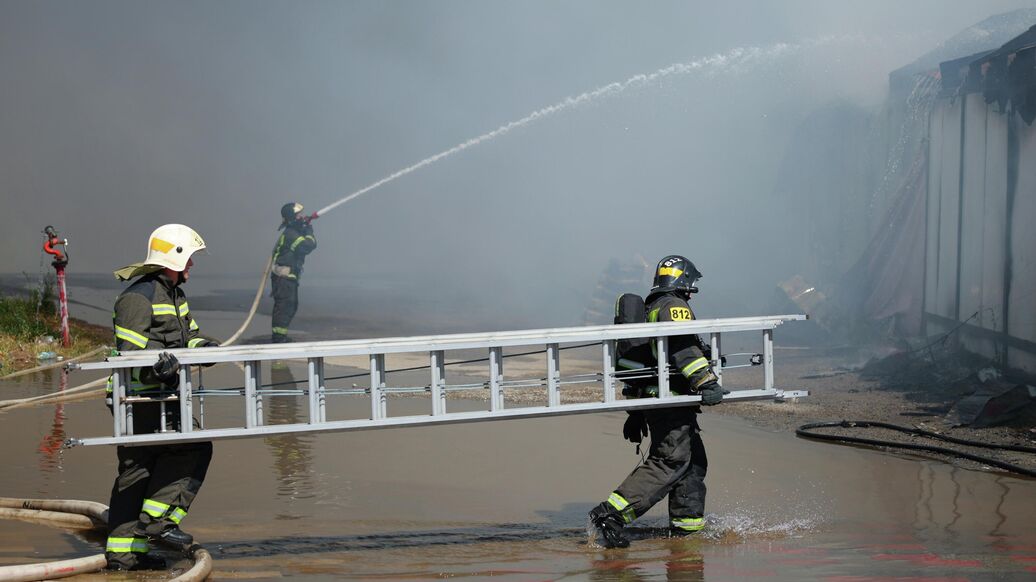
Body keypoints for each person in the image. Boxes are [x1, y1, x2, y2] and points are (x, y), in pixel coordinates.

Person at [588, 255, 726, 549]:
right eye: (691, 284)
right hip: (670, 401)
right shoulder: (674, 306)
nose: (692, 291)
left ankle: (687, 534)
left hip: (658, 400)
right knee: (670, 460)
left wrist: (637, 413)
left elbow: (647, 359)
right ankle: (610, 514)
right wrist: (706, 381)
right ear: (683, 280)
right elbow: (682, 347)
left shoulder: (653, 306)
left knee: (693, 463)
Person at [105, 224, 218, 571]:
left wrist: (207, 349)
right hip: (138, 398)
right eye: (190, 259)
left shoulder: (174, 295)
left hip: (161, 397)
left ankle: (124, 555)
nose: (192, 267)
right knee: (193, 447)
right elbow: (128, 356)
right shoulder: (138, 298)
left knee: (138, 472)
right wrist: (157, 371)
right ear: (176, 256)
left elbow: (189, 337)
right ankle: (159, 523)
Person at [271, 202, 317, 343]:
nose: (301, 216)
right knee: (285, 307)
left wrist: (304, 227)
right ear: (292, 217)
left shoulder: (293, 232)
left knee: (290, 306)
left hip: (287, 278)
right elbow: (308, 246)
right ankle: (279, 338)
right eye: (298, 215)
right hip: (284, 278)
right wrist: (309, 230)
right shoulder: (291, 235)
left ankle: (280, 336)